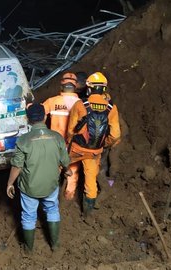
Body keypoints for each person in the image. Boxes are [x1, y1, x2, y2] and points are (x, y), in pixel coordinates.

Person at [6, 103, 70, 252]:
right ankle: (55, 245)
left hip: (30, 186)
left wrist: (10, 183)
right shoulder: (57, 137)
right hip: (51, 185)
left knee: (28, 215)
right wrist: (67, 170)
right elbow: (65, 160)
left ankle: (29, 250)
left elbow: (17, 166)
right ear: (45, 117)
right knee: (52, 209)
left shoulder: (23, 140)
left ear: (28, 119)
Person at [66, 72, 121, 223]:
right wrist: (105, 144)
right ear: (104, 90)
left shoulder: (80, 105)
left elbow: (70, 131)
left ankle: (53, 199)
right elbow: (116, 135)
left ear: (88, 88)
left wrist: (69, 144)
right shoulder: (111, 108)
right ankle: (87, 216)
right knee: (90, 182)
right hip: (95, 151)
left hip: (76, 148)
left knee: (58, 167)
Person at [42, 72, 81, 139]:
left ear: (61, 86)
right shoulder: (81, 104)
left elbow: (39, 116)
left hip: (56, 141)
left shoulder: (51, 101)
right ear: (76, 87)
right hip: (72, 143)